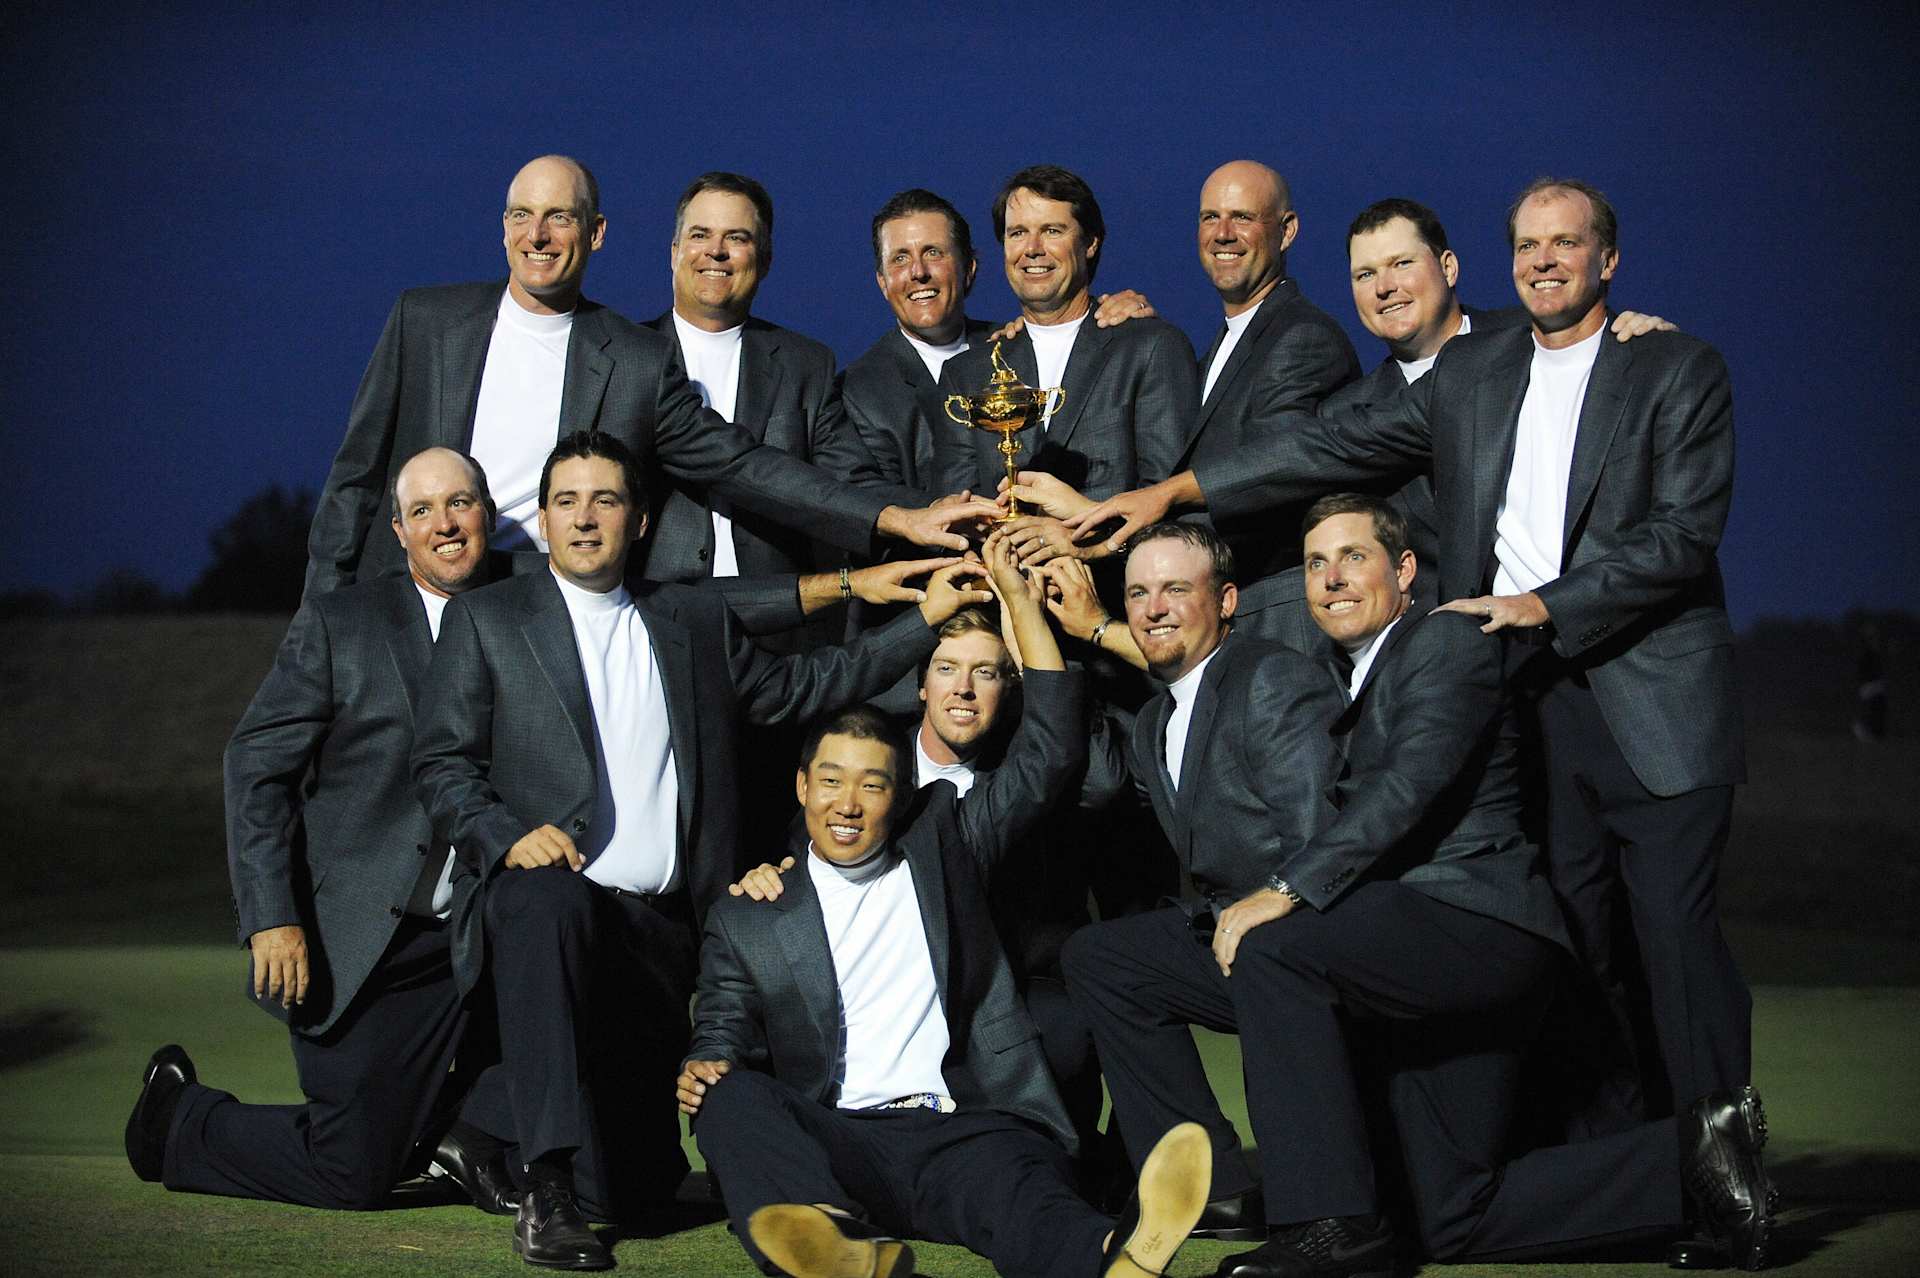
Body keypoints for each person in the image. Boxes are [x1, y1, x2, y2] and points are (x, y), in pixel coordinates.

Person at [1069, 177, 1755, 1141]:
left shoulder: (1668, 363)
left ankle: (1727, 1171)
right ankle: (1633, 1166)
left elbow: (1681, 536)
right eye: (1530, 245)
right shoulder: (1470, 375)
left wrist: (1540, 603)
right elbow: (1319, 445)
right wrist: (1168, 494)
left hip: (1650, 699)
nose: (1545, 261)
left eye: (1566, 243)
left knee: (1675, 942)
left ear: (1606, 257)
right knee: (1581, 946)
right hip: (1518, 695)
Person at [1068, 496, 1774, 1275]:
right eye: (1314, 565)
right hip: (1407, 952)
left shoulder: (1443, 639)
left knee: (1277, 951)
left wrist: (1287, 889)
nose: (1332, 579)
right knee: (1452, 1216)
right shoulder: (1346, 675)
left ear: (1404, 571)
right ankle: (1697, 1156)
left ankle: (1328, 1224)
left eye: (1353, 558)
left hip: (1476, 924)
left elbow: (1410, 785)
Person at [410, 430, 991, 1269]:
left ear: (637, 519)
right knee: (544, 899)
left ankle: (494, 1125)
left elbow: (802, 689)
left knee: (638, 1196)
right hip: (550, 908)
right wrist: (506, 835)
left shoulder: (687, 618)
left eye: (605, 500)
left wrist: (923, 623)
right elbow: (442, 762)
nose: (584, 518)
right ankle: (545, 1188)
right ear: (540, 520)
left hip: (663, 930)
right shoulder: (488, 619)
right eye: (566, 501)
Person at [678, 533, 1211, 1278]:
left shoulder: (950, 846)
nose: (849, 802)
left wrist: (1020, 600)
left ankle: (1108, 1258)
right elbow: (725, 1017)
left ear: (902, 797)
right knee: (732, 1102)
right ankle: (832, 1244)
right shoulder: (752, 911)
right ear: (802, 791)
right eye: (831, 781)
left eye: (872, 785)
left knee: (1027, 1193)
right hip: (838, 1139)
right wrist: (709, 1060)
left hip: (959, 1127)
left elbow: (1054, 748)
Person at [305, 155, 994, 598]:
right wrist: (322, 608)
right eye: (523, 216)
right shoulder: (425, 319)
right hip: (410, 591)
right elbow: (358, 477)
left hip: (545, 601)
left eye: (560, 218)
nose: (539, 236)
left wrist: (898, 516)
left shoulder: (628, 359)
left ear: (595, 233)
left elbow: (742, 463)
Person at [127, 448, 515, 1211]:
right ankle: (177, 1118)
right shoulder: (343, 624)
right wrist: (272, 917)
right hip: (373, 940)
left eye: (462, 503)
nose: (446, 524)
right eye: (424, 511)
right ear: (399, 531)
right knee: (352, 1170)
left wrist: (822, 586)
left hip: (485, 932)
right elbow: (255, 766)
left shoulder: (536, 606)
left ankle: (460, 1133)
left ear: (489, 516)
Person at [933, 166, 1198, 550]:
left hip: (1118, 593)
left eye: (1052, 231)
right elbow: (956, 512)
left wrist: (1086, 537)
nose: (1032, 248)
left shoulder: (1150, 347)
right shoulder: (968, 373)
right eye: (1017, 233)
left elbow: (1174, 511)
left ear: (1090, 242)